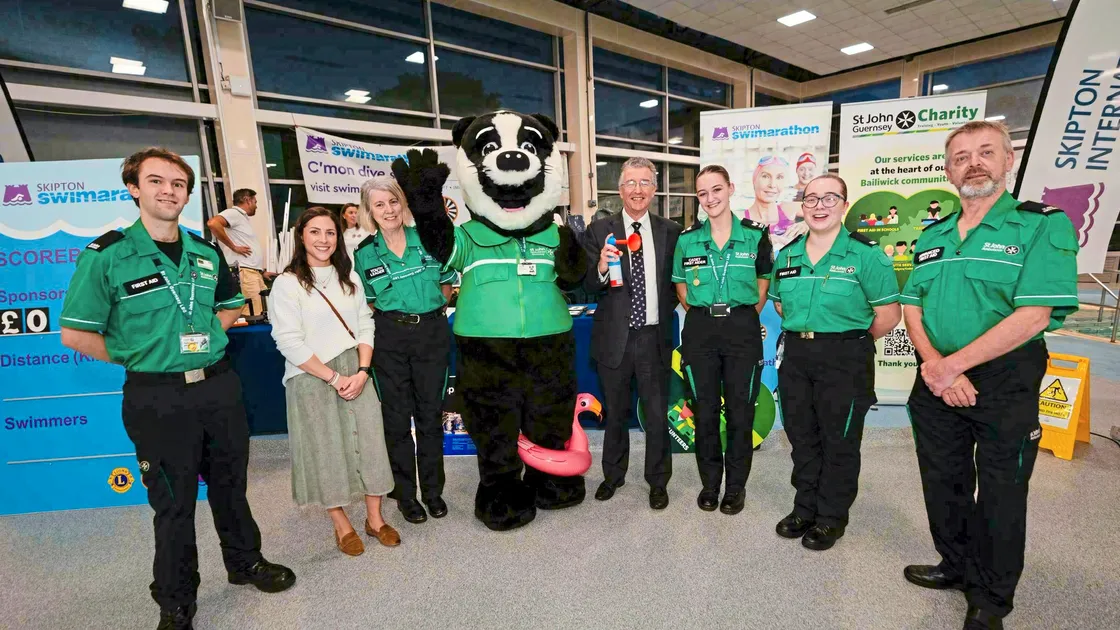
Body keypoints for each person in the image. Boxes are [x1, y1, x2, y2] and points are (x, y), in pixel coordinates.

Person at [59, 148, 294, 630]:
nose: (169, 190)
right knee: (174, 504)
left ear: (188, 193)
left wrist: (209, 336)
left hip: (219, 389)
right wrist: (142, 357)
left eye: (178, 184)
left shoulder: (205, 251)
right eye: (156, 181)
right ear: (134, 188)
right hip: (157, 399)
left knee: (232, 488)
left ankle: (244, 563)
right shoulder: (107, 256)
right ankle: (176, 600)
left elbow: (231, 305)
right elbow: (76, 334)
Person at [900, 121, 1079, 630]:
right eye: (960, 156)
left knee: (1002, 489)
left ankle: (991, 597)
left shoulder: (1041, 225)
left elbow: (1035, 314)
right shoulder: (933, 235)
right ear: (948, 170)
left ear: (1008, 161)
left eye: (984, 152)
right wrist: (934, 363)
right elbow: (913, 303)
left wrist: (952, 366)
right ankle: (955, 566)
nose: (972, 162)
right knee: (943, 481)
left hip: (1003, 378)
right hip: (935, 375)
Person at [767, 174, 901, 550]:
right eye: (811, 199)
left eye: (830, 198)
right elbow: (780, 303)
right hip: (796, 357)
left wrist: (852, 341)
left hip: (845, 358)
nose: (820, 206)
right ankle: (804, 508)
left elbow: (889, 314)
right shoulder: (789, 254)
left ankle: (830, 518)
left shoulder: (866, 255)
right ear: (802, 206)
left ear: (844, 204)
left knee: (839, 442)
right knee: (802, 438)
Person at [269, 206, 399, 556]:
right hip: (312, 376)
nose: (323, 239)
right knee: (326, 449)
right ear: (301, 236)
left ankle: (375, 520)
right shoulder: (287, 283)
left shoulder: (350, 278)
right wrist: (334, 377)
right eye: (315, 232)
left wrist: (362, 371)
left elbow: (365, 325)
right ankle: (341, 525)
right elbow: (288, 341)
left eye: (330, 232)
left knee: (370, 443)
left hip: (356, 370)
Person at [352, 175, 456, 524]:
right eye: (379, 204)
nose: (389, 209)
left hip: (431, 334)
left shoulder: (428, 239)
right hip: (390, 340)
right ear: (369, 211)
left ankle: (432, 492)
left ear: (403, 203)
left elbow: (447, 286)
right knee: (396, 422)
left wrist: (425, 315)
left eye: (393, 201)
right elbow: (365, 302)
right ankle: (406, 495)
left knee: (430, 418)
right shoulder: (364, 255)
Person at [672, 164, 772, 515]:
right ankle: (711, 484)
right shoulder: (686, 240)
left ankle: (736, 487)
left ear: (730, 188)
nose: (710, 198)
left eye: (716, 190)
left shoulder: (756, 236)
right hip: (700, 330)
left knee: (741, 413)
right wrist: (701, 312)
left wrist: (744, 315)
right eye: (703, 193)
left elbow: (763, 281)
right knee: (705, 413)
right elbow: (680, 285)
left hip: (742, 330)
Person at [583, 157, 682, 510]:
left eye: (644, 183)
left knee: (656, 415)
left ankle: (658, 482)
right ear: (620, 189)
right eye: (630, 183)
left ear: (653, 189)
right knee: (615, 412)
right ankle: (613, 475)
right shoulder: (599, 231)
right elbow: (584, 284)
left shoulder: (671, 231)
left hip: (654, 337)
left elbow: (676, 284)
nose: (637, 190)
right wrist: (598, 266)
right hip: (615, 338)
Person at [207, 188, 271, 317]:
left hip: (252, 272)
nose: (256, 206)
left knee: (262, 312)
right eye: (255, 202)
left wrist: (262, 271)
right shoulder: (234, 213)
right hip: (246, 273)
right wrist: (233, 247)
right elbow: (213, 223)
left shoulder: (241, 218)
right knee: (253, 314)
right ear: (247, 200)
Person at [747, 155, 804, 249]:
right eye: (765, 176)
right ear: (754, 180)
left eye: (779, 177)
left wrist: (806, 224)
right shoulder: (741, 218)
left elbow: (832, 215)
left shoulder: (788, 209)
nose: (772, 185)